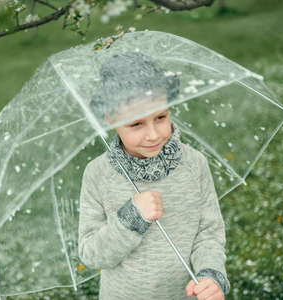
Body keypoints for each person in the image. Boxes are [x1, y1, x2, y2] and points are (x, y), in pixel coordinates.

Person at [78, 52, 230, 300]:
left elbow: (209, 233)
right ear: (109, 118)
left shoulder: (193, 165)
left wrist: (211, 275)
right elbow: (91, 253)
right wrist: (130, 219)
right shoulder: (98, 174)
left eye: (161, 117)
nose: (153, 135)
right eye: (136, 124)